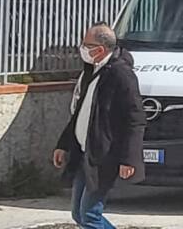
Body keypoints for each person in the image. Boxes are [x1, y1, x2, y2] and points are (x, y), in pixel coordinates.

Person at [52, 23, 145, 229]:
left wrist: (129, 159)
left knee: (90, 216)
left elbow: (135, 119)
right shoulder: (92, 71)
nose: (81, 48)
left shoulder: (121, 74)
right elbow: (81, 113)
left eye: (86, 44)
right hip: (86, 154)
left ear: (100, 49)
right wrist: (64, 144)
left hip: (105, 156)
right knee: (79, 214)